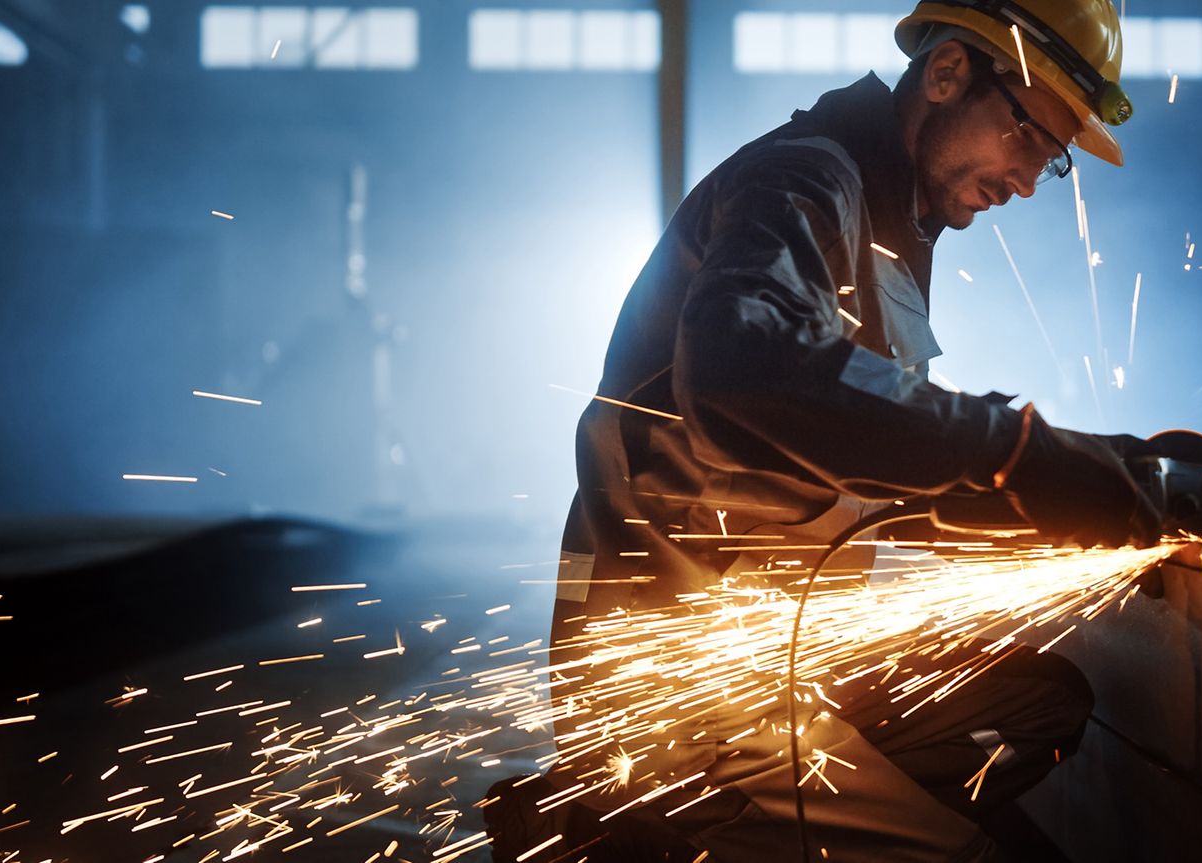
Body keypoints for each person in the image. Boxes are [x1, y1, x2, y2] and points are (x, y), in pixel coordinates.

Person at [487, 1, 1162, 860]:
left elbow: (848, 445)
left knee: (1037, 705)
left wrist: (1051, 494)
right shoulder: (805, 183)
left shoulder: (892, 218)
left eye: (1052, 160)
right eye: (1027, 135)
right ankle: (620, 832)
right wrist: (1012, 451)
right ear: (949, 72)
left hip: (786, 648)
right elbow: (745, 367)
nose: (1029, 179)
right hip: (690, 683)